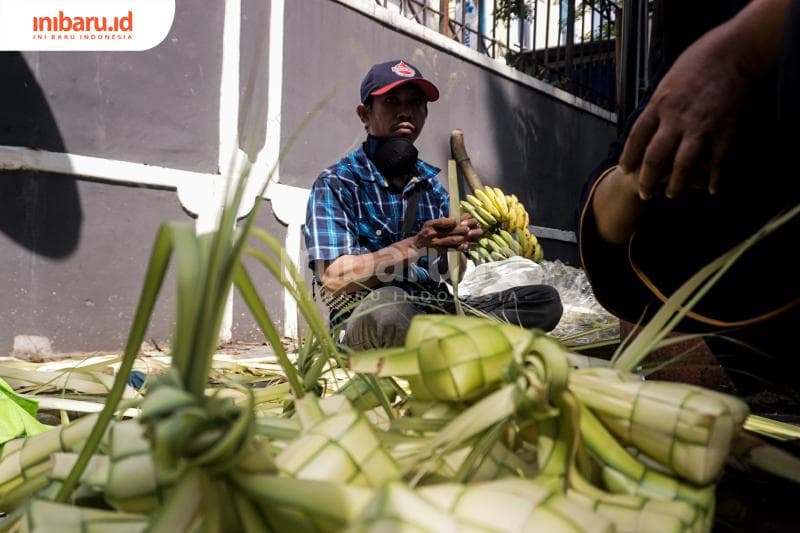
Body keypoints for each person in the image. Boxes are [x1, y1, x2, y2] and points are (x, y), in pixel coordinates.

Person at [579, 0, 799, 409]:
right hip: (742, 330)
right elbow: (605, 213)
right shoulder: (684, 62)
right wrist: (641, 172)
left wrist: (741, 53)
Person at [304, 59, 563, 350]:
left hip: (434, 309)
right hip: (370, 314)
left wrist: (455, 247)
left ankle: (444, 342)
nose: (405, 111)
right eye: (391, 101)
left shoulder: (432, 188)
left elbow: (453, 276)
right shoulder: (338, 183)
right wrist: (416, 245)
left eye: (416, 103)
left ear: (425, 114)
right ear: (364, 114)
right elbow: (333, 278)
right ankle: (460, 344)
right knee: (390, 309)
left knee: (543, 301)